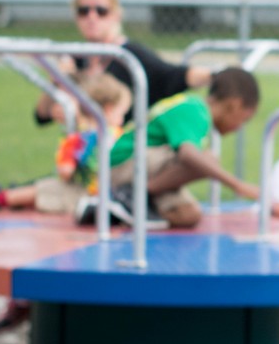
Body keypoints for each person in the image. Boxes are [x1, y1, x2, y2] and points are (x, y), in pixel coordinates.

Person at [33, 0, 213, 126]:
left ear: (116, 14)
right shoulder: (77, 57)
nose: (92, 17)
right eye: (83, 10)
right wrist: (58, 79)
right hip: (87, 150)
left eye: (101, 11)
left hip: (127, 149)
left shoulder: (131, 56)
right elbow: (41, 115)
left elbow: (173, 75)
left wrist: (215, 75)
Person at [98, 66, 262, 230]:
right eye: (244, 119)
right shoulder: (195, 109)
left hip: (147, 168)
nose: (239, 127)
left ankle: (124, 206)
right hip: (124, 164)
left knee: (188, 215)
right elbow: (187, 155)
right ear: (235, 105)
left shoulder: (199, 113)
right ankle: (135, 193)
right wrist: (238, 185)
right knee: (207, 159)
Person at [0, 73, 131, 213]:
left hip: (91, 193)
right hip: (98, 192)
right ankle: (3, 198)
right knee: (51, 190)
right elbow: (67, 170)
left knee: (49, 189)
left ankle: (0, 198)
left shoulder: (83, 137)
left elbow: (65, 171)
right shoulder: (108, 135)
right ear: (108, 109)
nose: (122, 120)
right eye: (121, 114)